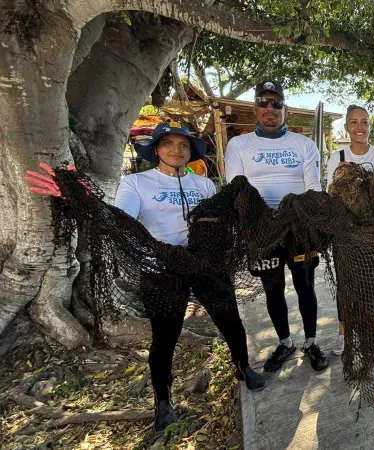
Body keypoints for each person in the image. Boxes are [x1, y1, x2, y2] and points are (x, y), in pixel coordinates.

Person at [25, 121, 266, 433]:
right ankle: (163, 399)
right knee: (165, 336)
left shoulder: (204, 185)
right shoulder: (136, 183)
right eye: (168, 144)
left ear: (191, 151)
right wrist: (83, 199)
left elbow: (217, 224)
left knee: (231, 320)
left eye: (183, 144)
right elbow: (119, 220)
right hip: (160, 270)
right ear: (155, 150)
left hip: (205, 266)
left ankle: (243, 367)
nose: (176, 150)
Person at [224, 80, 329, 373]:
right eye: (263, 101)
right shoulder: (239, 144)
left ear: (286, 108)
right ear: (255, 108)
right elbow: (236, 188)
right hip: (261, 232)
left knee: (305, 287)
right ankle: (285, 342)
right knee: (273, 289)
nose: (270, 107)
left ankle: (311, 342)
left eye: (276, 102)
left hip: (298, 229)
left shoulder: (304, 144)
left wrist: (308, 218)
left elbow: (313, 186)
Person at [327, 105, 374, 356]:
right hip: (346, 234)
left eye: (364, 122)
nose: (359, 127)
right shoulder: (337, 158)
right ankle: (343, 333)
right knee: (345, 284)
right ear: (346, 127)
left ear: (369, 126)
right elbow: (331, 195)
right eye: (353, 122)